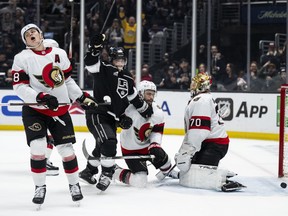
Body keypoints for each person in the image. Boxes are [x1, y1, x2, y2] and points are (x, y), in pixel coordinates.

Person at [12, 23, 98, 206]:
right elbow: (19, 87)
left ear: (41, 35)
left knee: (66, 150)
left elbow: (67, 81)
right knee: (38, 147)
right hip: (34, 110)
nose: (31, 34)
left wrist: (82, 97)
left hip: (59, 110)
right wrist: (40, 97)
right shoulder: (22, 58)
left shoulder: (59, 54)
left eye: (34, 31)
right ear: (25, 41)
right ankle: (40, 187)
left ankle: (74, 185)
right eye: (27, 34)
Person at [79, 34, 153, 192]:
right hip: (97, 114)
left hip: (112, 119)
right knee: (109, 142)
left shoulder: (127, 77)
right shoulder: (103, 69)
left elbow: (134, 98)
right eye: (117, 60)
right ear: (111, 59)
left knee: (102, 146)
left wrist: (146, 110)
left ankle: (88, 171)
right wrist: (94, 49)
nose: (120, 63)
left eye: (122, 60)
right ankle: (107, 172)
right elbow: (90, 62)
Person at [174, 72, 245, 192]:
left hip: (213, 145)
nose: (191, 86)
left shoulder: (201, 100)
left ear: (200, 86)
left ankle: (221, 181)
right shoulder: (204, 99)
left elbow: (199, 132)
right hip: (209, 143)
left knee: (192, 178)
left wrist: (187, 151)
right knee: (187, 170)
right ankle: (215, 170)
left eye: (194, 83)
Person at [113, 81, 179, 188]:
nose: (151, 97)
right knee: (140, 181)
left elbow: (157, 130)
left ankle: (167, 171)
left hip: (147, 146)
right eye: (148, 93)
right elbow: (113, 121)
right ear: (140, 93)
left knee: (166, 162)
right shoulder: (128, 109)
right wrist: (118, 122)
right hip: (130, 149)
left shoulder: (157, 111)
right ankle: (114, 171)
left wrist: (155, 144)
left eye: (153, 94)